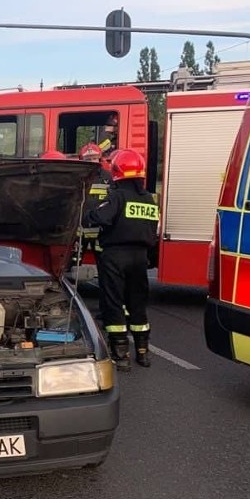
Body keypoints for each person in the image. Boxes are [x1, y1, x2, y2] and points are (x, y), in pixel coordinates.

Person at [83, 150, 159, 371]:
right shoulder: (149, 199)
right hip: (140, 258)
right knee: (137, 303)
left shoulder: (116, 196)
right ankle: (143, 353)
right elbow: (152, 231)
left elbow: (100, 217)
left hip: (115, 255)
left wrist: (88, 216)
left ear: (116, 171)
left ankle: (121, 354)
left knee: (114, 302)